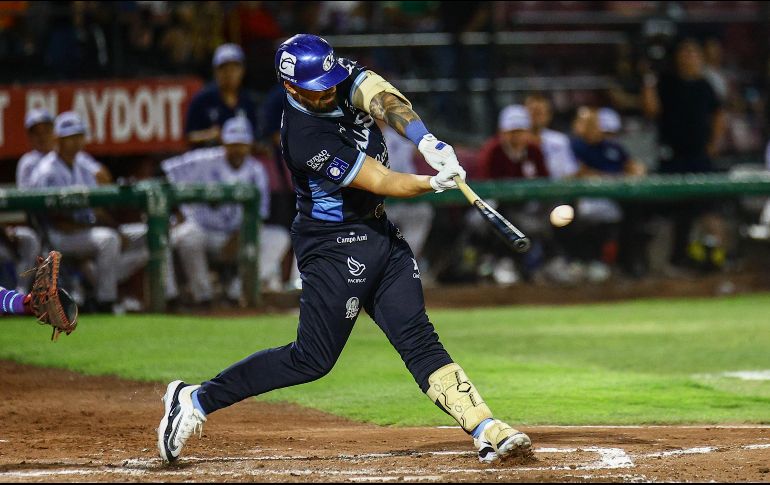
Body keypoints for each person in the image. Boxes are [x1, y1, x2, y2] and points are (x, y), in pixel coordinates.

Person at [157, 34, 531, 466]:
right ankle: (195, 399)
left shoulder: (331, 74)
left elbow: (382, 98)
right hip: (332, 244)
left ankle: (484, 427)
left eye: (333, 80)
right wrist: (432, 182)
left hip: (378, 233)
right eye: (321, 87)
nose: (331, 89)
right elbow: (382, 180)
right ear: (292, 89)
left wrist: (426, 142)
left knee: (417, 336)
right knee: (311, 359)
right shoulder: (303, 136)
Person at [30, 111, 175, 313]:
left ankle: (169, 297)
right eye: (69, 137)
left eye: (78, 136)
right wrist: (104, 230)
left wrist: (117, 228)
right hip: (60, 235)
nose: (75, 142)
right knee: (108, 240)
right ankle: (105, 300)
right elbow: (54, 218)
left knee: (153, 234)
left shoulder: (83, 163)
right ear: (58, 139)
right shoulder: (47, 171)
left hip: (87, 229)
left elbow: (98, 201)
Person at [162, 117, 291, 304]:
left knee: (279, 237)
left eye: (242, 144)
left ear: (249, 145)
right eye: (233, 144)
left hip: (239, 235)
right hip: (204, 230)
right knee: (187, 237)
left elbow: (260, 214)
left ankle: (236, 290)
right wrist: (179, 212)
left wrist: (240, 235)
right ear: (224, 142)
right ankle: (203, 297)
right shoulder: (203, 160)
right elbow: (165, 172)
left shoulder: (256, 170)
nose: (238, 150)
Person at [474, 105, 550, 283]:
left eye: (521, 131)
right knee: (495, 214)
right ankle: (500, 261)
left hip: (530, 205)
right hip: (497, 206)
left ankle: (550, 262)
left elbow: (547, 182)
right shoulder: (493, 150)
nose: (517, 136)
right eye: (512, 132)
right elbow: (484, 185)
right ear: (503, 132)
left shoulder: (533, 150)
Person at [376, 118, 435, 262]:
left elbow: (418, 151)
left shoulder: (395, 135)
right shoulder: (360, 134)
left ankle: (405, 262)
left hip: (403, 199)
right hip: (377, 202)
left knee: (422, 211)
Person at [185, 43, 258, 147]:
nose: (229, 73)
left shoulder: (248, 101)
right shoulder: (202, 99)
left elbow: (255, 137)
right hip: (208, 157)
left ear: (242, 71)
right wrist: (209, 135)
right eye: (224, 69)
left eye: (234, 68)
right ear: (215, 71)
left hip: (238, 160)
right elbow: (189, 136)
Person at [524, 93, 579, 181]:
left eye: (540, 112)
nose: (535, 117)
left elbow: (570, 172)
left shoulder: (560, 140)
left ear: (548, 116)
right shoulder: (515, 141)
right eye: (532, 112)